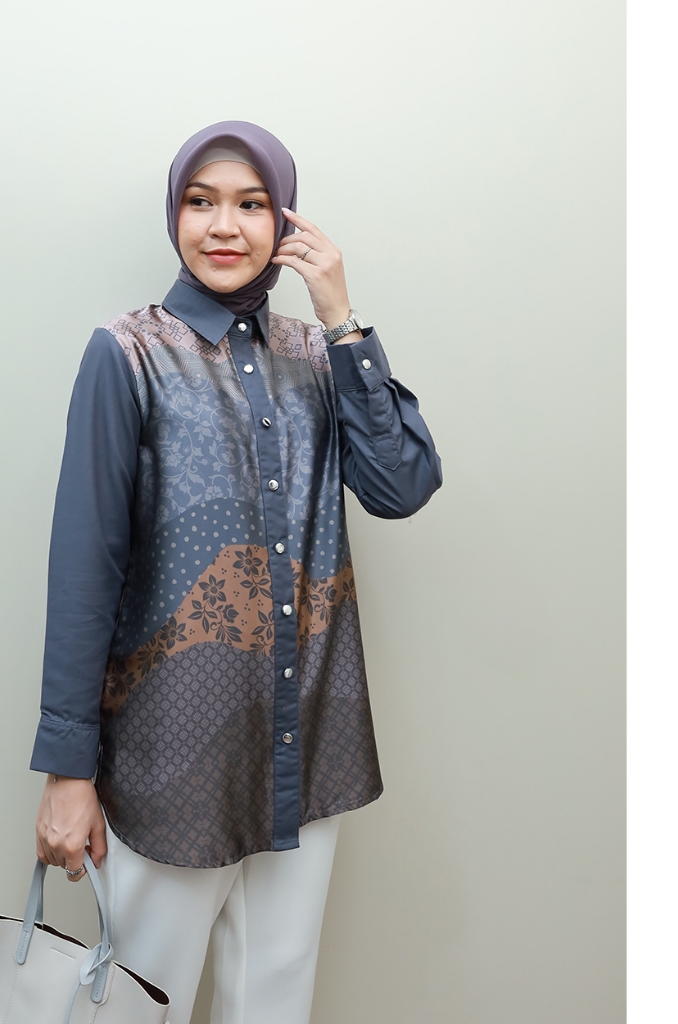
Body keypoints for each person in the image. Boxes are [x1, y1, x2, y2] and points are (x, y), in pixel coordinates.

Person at [30, 120, 442, 1024]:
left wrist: (342, 318)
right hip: (172, 759)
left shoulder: (317, 355)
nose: (224, 226)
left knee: (275, 1006)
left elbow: (402, 486)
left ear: (284, 219)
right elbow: (85, 567)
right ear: (174, 214)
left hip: (308, 750)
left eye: (251, 204)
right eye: (200, 202)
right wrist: (68, 769)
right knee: (137, 1008)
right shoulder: (128, 353)